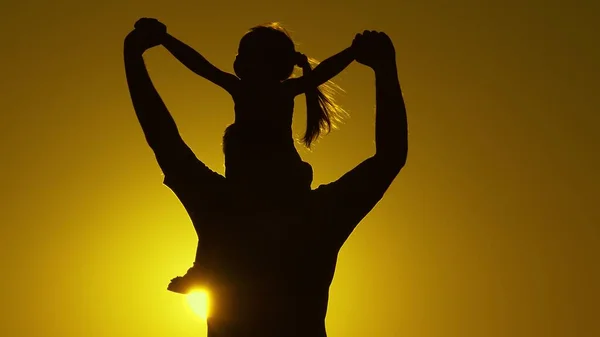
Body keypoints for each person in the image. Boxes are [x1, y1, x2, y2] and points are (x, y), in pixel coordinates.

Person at [124, 18, 408, 337]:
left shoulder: (220, 208)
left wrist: (135, 59)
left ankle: (200, 270)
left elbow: (163, 138)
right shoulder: (317, 217)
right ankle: (199, 270)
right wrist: (382, 67)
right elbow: (390, 156)